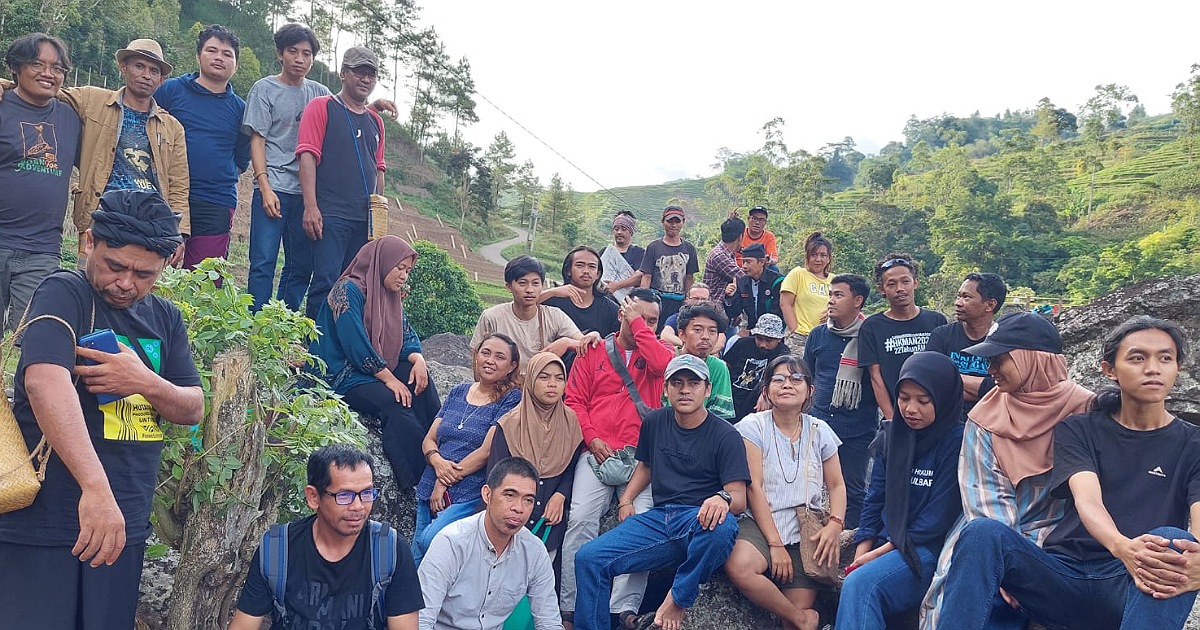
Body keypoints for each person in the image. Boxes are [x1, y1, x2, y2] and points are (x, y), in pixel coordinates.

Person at [0, 189, 204, 628]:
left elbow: (193, 406)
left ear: (167, 263)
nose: (126, 283)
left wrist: (143, 380)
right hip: (46, 522)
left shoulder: (166, 318)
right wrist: (95, 489)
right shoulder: (64, 292)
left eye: (144, 273)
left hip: (123, 524)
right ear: (89, 242)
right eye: (115, 266)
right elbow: (43, 381)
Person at [938, 316, 1200, 630]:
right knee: (981, 532)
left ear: (1178, 367)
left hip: (1133, 581)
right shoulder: (1080, 427)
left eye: (1165, 358)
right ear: (1109, 370)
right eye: (1137, 358)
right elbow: (1087, 500)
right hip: (1066, 574)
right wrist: (1122, 547)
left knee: (1173, 543)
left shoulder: (1193, 443)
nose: (1152, 368)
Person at [921, 312, 1094, 629]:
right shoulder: (986, 416)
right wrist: (1004, 563)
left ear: (1033, 359)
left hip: (1059, 535)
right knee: (961, 589)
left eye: (999, 360)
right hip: (987, 530)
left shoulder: (1085, 410)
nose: (991, 370)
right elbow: (985, 497)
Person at [574, 355, 750, 630]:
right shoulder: (655, 422)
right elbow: (646, 465)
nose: (685, 390)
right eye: (677, 383)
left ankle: (678, 599)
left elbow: (738, 497)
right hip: (659, 520)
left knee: (723, 525)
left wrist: (722, 498)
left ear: (707, 389)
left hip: (697, 521)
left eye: (694, 383)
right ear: (665, 389)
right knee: (589, 558)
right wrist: (626, 499)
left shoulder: (725, 435)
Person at [0, 39, 190, 260]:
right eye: (139, 66)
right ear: (123, 67)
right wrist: (4, 83)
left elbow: (179, 184)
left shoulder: (172, 127)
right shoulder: (92, 100)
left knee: (141, 279)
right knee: (91, 279)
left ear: (161, 79)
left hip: (150, 223)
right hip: (100, 218)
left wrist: (179, 232)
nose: (146, 75)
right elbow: (44, 86)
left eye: (154, 71)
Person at [560, 289, 673, 630]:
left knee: (641, 522)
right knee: (580, 517)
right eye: (640, 317)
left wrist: (638, 324)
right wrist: (591, 436)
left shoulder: (658, 353)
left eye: (653, 321)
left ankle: (623, 609)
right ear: (621, 313)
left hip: (640, 456)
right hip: (597, 450)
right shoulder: (593, 350)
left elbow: (663, 366)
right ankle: (571, 604)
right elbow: (575, 400)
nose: (647, 326)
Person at [229, 445, 423, 629]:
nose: (358, 506)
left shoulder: (389, 549)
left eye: (366, 493)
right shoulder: (278, 548)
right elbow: (244, 624)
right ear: (313, 497)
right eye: (344, 495)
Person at [840, 352, 965, 626]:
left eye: (923, 401)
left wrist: (877, 556)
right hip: (887, 543)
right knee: (855, 579)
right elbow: (874, 500)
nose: (910, 409)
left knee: (861, 585)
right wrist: (862, 553)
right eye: (904, 398)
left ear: (943, 398)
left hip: (927, 551)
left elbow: (936, 520)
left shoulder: (958, 442)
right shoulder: (893, 435)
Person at [725, 356, 847, 630]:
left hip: (805, 528)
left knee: (789, 622)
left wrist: (835, 524)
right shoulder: (753, 426)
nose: (787, 385)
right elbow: (754, 486)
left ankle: (797, 617)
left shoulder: (820, 430)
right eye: (778, 379)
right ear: (766, 390)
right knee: (740, 567)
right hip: (759, 521)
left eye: (796, 379)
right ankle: (804, 618)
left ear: (810, 390)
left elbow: (837, 485)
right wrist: (776, 545)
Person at [309, 236, 440, 488]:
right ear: (383, 262)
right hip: (341, 371)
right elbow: (354, 343)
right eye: (399, 268)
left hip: (373, 369)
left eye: (408, 271)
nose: (403, 276)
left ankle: (443, 448)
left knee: (419, 383)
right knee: (393, 401)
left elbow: (405, 334)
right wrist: (390, 380)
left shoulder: (389, 293)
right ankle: (423, 478)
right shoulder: (347, 290)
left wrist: (418, 360)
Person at [412, 333, 523, 565]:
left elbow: (485, 452)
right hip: (430, 484)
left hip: (468, 491)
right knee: (417, 559)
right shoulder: (458, 391)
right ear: (476, 356)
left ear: (512, 366)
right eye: (485, 353)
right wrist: (437, 463)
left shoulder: (511, 399)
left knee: (430, 540)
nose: (490, 360)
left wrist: (444, 481)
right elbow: (429, 439)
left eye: (499, 357)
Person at [418, 457, 564, 630]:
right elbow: (421, 620)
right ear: (487, 494)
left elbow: (549, 621)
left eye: (528, 500)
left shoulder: (534, 551)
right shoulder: (452, 542)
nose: (519, 508)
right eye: (510, 495)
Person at [297, 46, 387, 320]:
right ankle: (314, 342)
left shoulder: (376, 121)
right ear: (343, 73)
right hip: (331, 214)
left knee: (354, 286)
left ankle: (341, 341)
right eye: (359, 72)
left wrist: (378, 216)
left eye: (371, 74)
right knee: (325, 281)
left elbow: (378, 169)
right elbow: (307, 156)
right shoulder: (322, 107)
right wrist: (311, 206)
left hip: (363, 219)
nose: (366, 79)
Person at [244, 23, 328, 311]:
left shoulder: (319, 94)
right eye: (293, 51)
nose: (299, 59)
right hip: (274, 188)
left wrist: (372, 107)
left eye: (306, 53)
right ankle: (256, 325)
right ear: (280, 53)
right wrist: (264, 187)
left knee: (301, 265)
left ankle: (283, 323)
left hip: (305, 194)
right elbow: (257, 140)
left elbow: (346, 114)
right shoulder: (264, 89)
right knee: (262, 262)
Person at [0, 33, 81, 332]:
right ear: (15, 67)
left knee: (33, 335)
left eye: (57, 68)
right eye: (37, 64)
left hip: (43, 249)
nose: (48, 73)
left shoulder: (72, 118)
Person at [153, 24, 249, 269]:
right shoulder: (171, 90)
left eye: (227, 54)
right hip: (166, 195)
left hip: (215, 201)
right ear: (198, 56)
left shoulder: (240, 109)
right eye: (212, 50)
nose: (219, 58)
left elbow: (241, 159)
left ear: (236, 64)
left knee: (205, 277)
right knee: (155, 269)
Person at [485, 352, 582, 559]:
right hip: (509, 519)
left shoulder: (571, 422)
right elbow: (497, 475)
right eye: (544, 377)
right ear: (530, 381)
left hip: (550, 520)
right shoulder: (510, 424)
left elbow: (573, 466)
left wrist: (560, 495)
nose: (552, 384)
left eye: (559, 378)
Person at [803, 274, 878, 529]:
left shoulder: (870, 335)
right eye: (830, 295)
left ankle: (851, 538)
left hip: (857, 428)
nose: (831, 301)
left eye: (838, 295)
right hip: (818, 422)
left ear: (858, 301)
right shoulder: (818, 335)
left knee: (853, 487)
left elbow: (879, 380)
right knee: (808, 484)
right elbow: (807, 375)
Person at [471, 255, 600, 374]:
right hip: (501, 385)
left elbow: (586, 344)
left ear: (542, 285)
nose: (530, 290)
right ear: (509, 286)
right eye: (522, 283)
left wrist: (567, 342)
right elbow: (477, 359)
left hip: (539, 387)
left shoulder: (554, 316)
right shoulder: (492, 317)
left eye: (535, 283)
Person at [858, 253, 947, 424]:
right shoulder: (872, 327)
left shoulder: (936, 321)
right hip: (898, 414)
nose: (900, 288)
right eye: (891, 284)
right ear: (881, 289)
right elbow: (876, 378)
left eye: (905, 281)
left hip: (935, 415)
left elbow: (945, 371)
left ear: (916, 282)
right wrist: (891, 421)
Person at [926, 272, 1007, 413]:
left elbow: (1005, 389)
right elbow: (930, 380)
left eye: (966, 297)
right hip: (948, 419)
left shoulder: (1003, 341)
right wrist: (984, 390)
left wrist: (949, 380)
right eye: (959, 296)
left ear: (990, 305)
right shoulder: (942, 335)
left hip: (992, 419)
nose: (958, 303)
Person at [666, 302, 735, 422]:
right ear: (682, 334)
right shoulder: (666, 359)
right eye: (698, 330)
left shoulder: (718, 368)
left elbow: (720, 418)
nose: (705, 336)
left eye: (712, 331)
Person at [540, 245, 620, 345]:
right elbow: (524, 306)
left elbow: (619, 344)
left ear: (598, 274)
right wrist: (552, 292)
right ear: (568, 270)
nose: (586, 271)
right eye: (580, 265)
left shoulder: (611, 309)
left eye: (592, 267)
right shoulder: (552, 300)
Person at [639, 205, 699, 332]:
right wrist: (643, 301)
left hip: (679, 302)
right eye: (670, 221)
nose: (673, 225)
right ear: (663, 222)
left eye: (677, 221)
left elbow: (689, 278)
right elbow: (646, 276)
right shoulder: (654, 247)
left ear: (683, 222)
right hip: (657, 301)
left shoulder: (689, 249)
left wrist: (689, 299)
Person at [724, 314, 788, 422]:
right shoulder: (743, 344)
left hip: (756, 404)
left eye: (768, 340)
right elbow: (726, 366)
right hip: (731, 398)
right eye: (759, 338)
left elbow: (780, 379)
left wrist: (765, 394)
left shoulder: (782, 354)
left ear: (778, 339)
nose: (763, 344)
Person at [780, 232, 833, 355]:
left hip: (825, 336)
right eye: (814, 255)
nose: (818, 259)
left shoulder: (834, 280)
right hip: (800, 338)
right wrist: (794, 329)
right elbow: (785, 303)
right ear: (807, 256)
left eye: (823, 255)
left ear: (828, 258)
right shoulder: (798, 274)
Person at [722, 243, 784, 339]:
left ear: (762, 262)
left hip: (774, 334)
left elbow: (778, 313)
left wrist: (753, 333)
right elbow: (733, 313)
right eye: (743, 262)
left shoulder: (777, 282)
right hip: (752, 331)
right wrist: (730, 297)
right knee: (733, 341)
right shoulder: (742, 283)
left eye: (748, 262)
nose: (744, 266)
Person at [598, 210, 644, 302]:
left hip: (629, 302)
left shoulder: (639, 253)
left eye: (623, 229)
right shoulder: (604, 252)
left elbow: (640, 277)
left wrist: (617, 285)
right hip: (604, 300)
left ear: (631, 232)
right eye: (616, 229)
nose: (619, 232)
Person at [702, 216, 745, 300]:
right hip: (714, 304)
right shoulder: (719, 256)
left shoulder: (727, 252)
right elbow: (743, 277)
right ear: (740, 237)